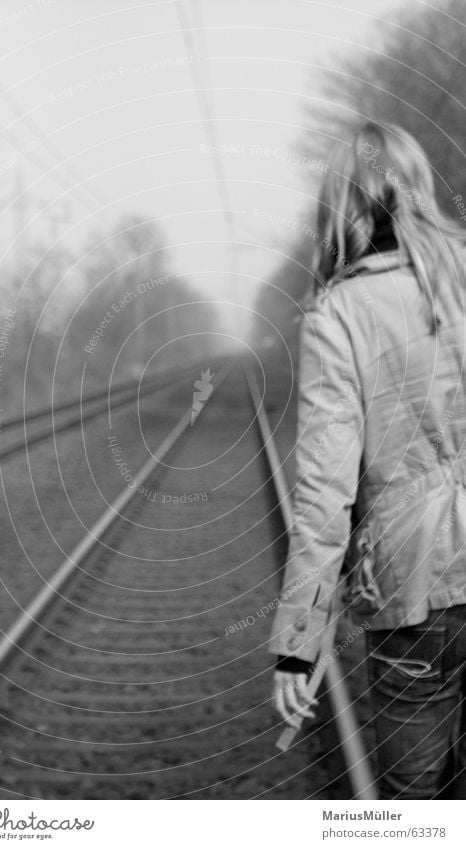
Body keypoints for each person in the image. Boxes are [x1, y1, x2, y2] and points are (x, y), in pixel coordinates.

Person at [270, 121, 466, 799]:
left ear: (342, 205)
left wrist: (300, 638)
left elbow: (326, 493)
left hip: (416, 589)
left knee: (415, 806)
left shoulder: (338, 313)